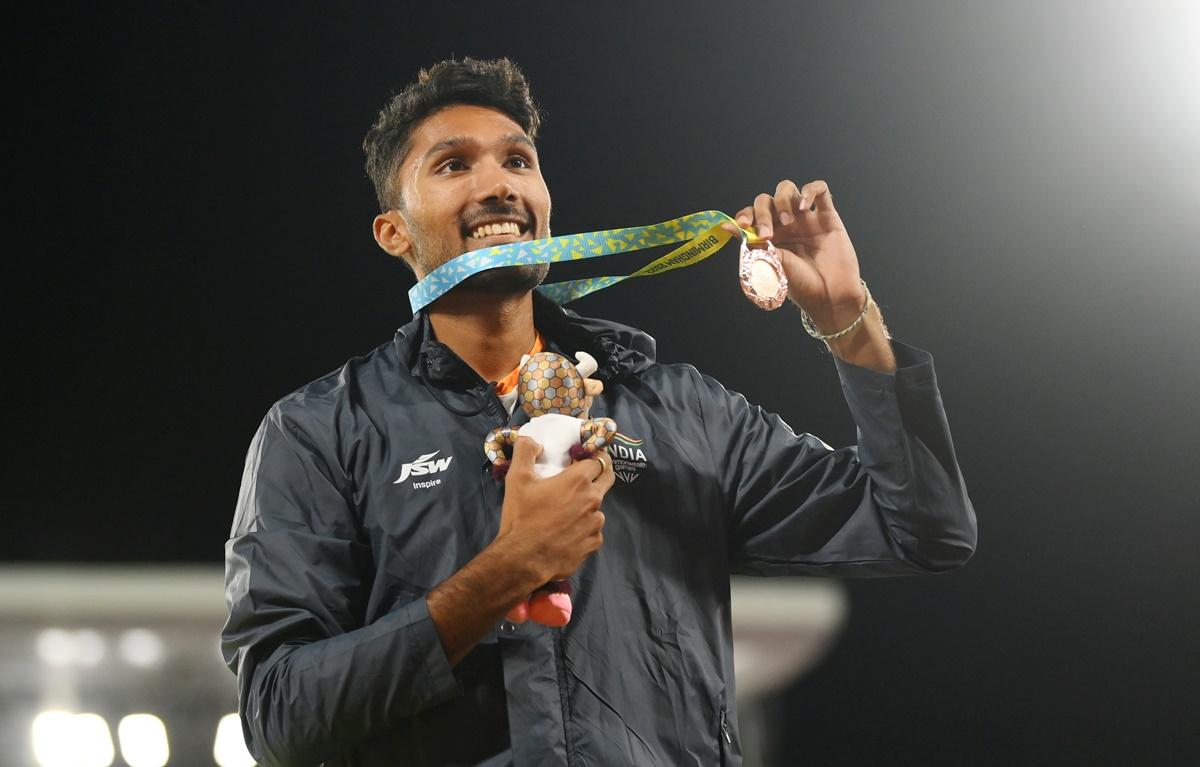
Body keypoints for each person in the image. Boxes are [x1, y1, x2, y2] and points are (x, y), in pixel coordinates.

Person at [221, 57, 976, 766]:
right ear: (395, 231)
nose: (499, 185)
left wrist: (850, 321)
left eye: (518, 161)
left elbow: (922, 528)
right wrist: (502, 574)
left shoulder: (679, 409)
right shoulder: (321, 431)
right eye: (454, 165)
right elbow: (279, 713)